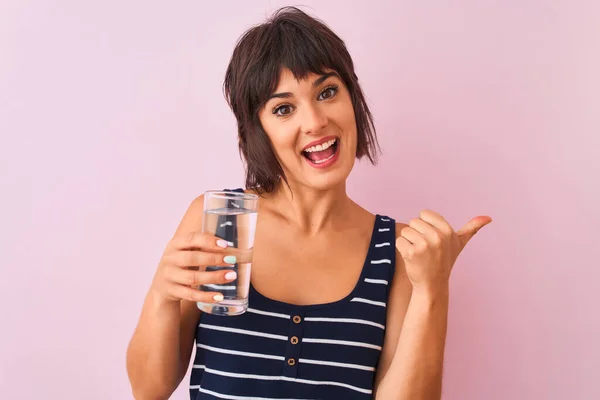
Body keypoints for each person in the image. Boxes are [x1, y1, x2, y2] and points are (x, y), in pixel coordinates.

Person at [126, 6, 492, 400]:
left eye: (328, 92)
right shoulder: (219, 220)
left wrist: (432, 289)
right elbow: (150, 389)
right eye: (283, 108)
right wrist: (163, 296)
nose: (315, 121)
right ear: (257, 131)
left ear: (353, 99)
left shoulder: (398, 250)